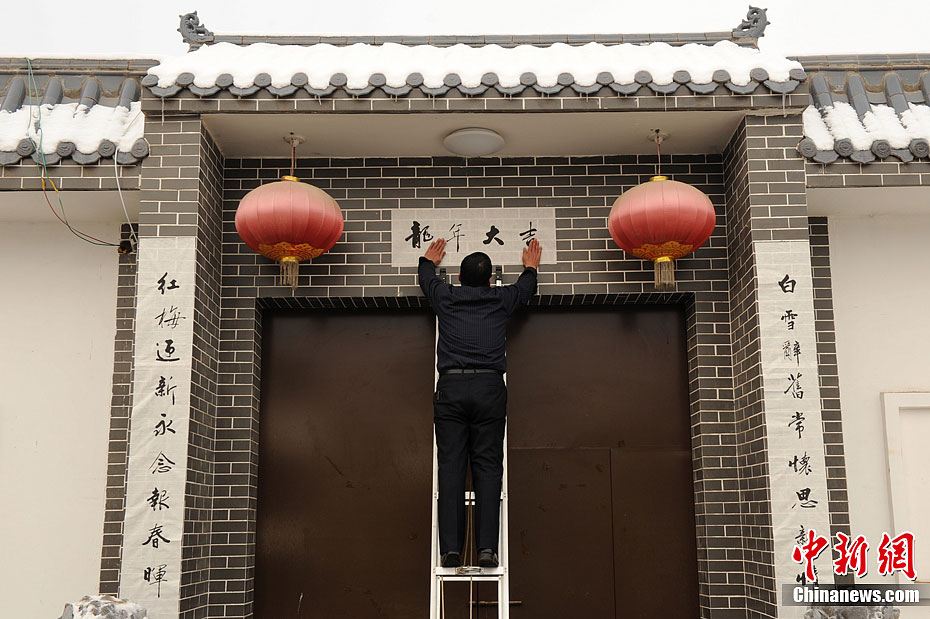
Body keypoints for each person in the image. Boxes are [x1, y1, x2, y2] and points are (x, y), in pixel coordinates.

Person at [418, 237, 542, 568]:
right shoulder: (500, 299)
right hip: (489, 388)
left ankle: (450, 549)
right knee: (487, 467)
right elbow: (525, 289)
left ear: (460, 277)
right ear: (489, 280)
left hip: (452, 387)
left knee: (451, 467)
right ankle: (487, 548)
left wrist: (427, 260)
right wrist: (531, 267)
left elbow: (426, 281)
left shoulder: (446, 297)